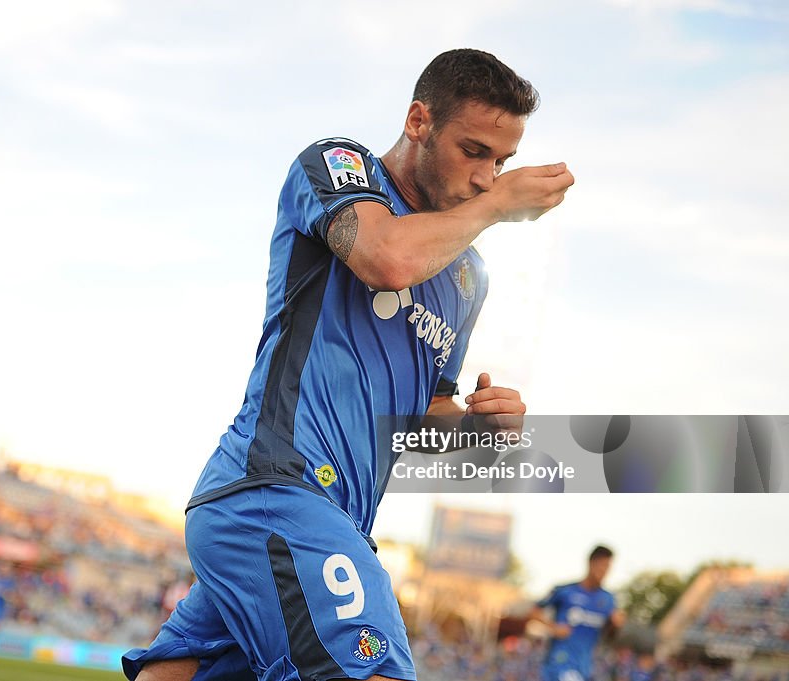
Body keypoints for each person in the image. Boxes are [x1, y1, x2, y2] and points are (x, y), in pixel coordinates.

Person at [123, 48, 575, 681]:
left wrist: (481, 430)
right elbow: (385, 256)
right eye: (473, 151)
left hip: (328, 520)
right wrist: (497, 207)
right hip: (278, 487)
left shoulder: (468, 275)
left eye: (501, 162)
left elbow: (420, 418)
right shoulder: (340, 167)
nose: (486, 177)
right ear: (420, 121)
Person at [528, 545, 627, 681]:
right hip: (560, 662)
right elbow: (534, 611)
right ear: (591, 563)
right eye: (602, 565)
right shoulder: (565, 591)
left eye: (608, 567)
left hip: (584, 666)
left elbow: (608, 637)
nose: (604, 571)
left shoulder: (608, 600)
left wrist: (615, 625)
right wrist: (553, 627)